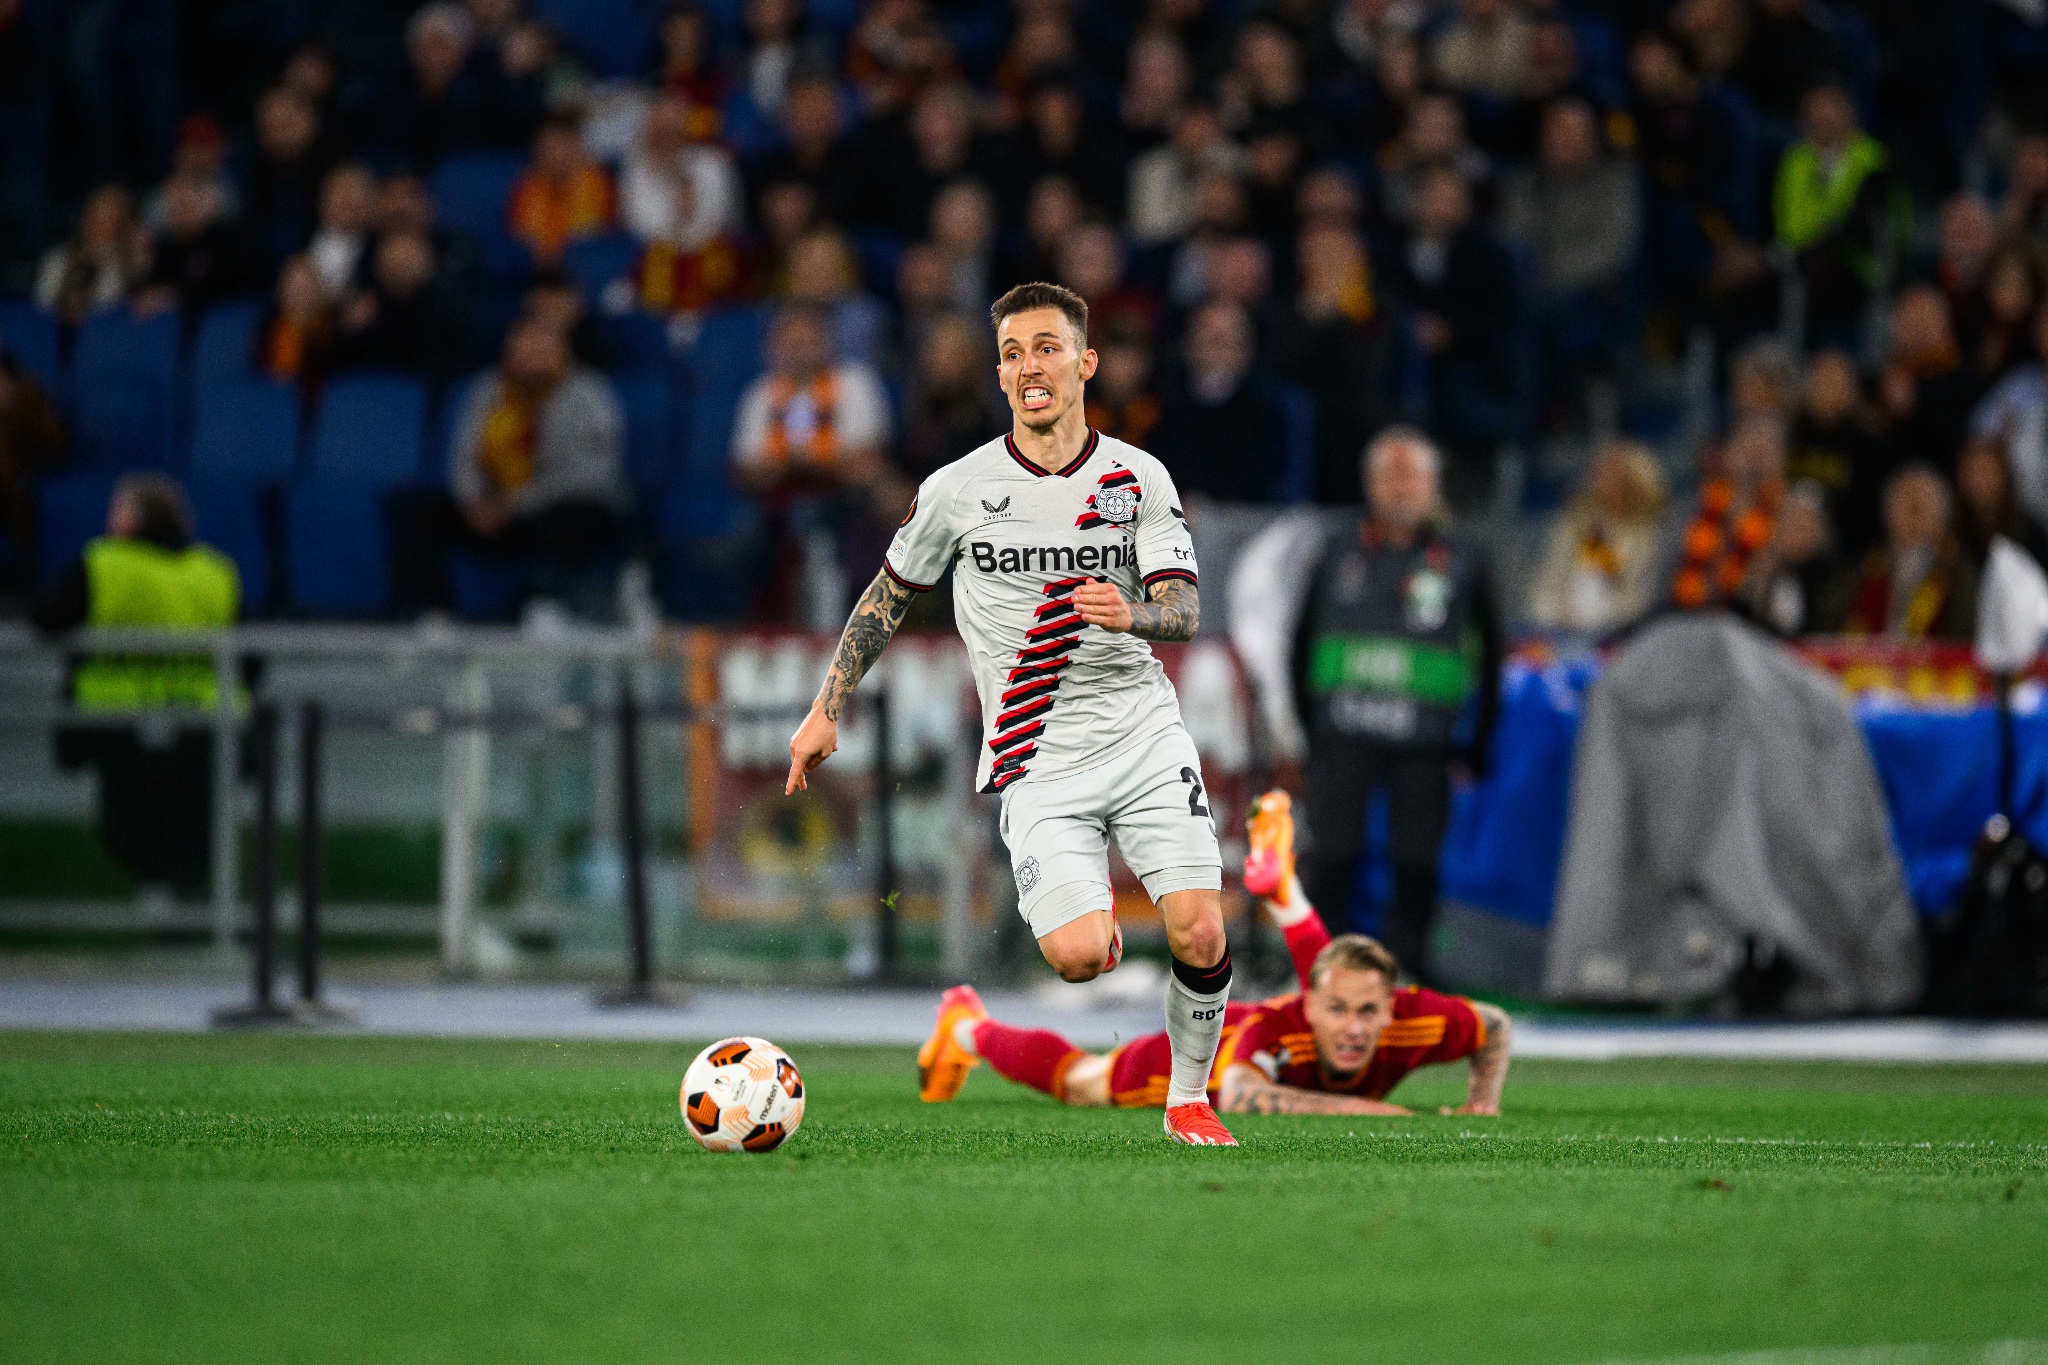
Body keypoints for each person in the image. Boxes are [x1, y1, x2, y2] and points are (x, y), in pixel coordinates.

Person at [784, 281, 1240, 1147]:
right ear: (1000, 374)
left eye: (1047, 347)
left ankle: (1187, 1097)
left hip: (1141, 729)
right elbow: (886, 597)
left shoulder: (1137, 476)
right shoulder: (958, 488)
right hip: (1035, 754)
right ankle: (1011, 993)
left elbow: (1182, 610)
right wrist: (824, 708)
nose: (1031, 366)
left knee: (1199, 924)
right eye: (1014, 353)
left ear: (1084, 362)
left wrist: (1129, 612)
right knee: (1077, 957)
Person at [920, 791, 1512, 1116]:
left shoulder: (1418, 1020)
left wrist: (1480, 1103)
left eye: (1368, 1013)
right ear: (1305, 1009)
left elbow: (1493, 1026)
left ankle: (1286, 896)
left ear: (1394, 1009)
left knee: (1342, 980)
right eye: (1337, 1013)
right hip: (1208, 1047)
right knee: (1083, 1080)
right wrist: (1365, 1113)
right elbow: (1241, 1094)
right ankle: (968, 1028)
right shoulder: (1280, 1031)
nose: (1355, 1029)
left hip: (1312, 1004)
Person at [1290, 428, 1502, 983]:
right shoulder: (1336, 550)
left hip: (1425, 743)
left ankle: (1410, 974)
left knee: (1417, 864)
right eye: (1389, 474)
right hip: (1342, 734)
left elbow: (1494, 655)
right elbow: (1301, 641)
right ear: (1369, 483)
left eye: (1412, 475)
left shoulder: (1463, 559)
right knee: (1332, 858)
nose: (1400, 487)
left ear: (1434, 485)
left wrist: (1477, 743)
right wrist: (1309, 730)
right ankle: (1321, 971)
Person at [30, 475, 240, 901]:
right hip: (201, 727)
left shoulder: (105, 562)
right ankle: (188, 916)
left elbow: (47, 618)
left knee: (128, 830)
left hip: (118, 725)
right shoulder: (214, 570)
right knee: (192, 834)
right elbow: (250, 654)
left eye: (117, 510)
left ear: (131, 519)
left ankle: (172, 912)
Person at [393, 319, 629, 618]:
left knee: (579, 516)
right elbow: (464, 456)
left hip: (552, 506)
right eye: (523, 345)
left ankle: (547, 607)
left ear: (561, 350)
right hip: (493, 506)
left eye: (541, 346)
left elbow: (591, 474)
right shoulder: (489, 389)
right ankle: (429, 613)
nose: (530, 354)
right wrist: (473, 502)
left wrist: (515, 503)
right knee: (416, 510)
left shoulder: (588, 393)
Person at [731, 305, 895, 625]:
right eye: (790, 341)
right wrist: (791, 463)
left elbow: (868, 460)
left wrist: (810, 461)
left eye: (807, 340)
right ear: (773, 347)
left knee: (815, 518)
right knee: (746, 529)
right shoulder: (761, 394)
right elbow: (745, 469)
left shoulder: (855, 384)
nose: (799, 349)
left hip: (845, 497)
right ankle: (765, 623)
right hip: (775, 499)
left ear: (826, 343)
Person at [1525, 440, 1669, 633]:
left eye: (1612, 475)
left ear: (1632, 482)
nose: (1600, 481)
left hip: (1616, 635)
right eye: (1599, 473)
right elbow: (1547, 584)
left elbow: (1639, 601)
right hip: (1559, 628)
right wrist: (1555, 617)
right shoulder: (1574, 525)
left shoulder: (1649, 538)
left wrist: (1596, 624)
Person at [1149, 299, 1284, 503]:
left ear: (1247, 350)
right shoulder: (1161, 410)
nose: (1219, 351)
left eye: (1229, 341)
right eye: (1211, 339)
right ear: (1189, 346)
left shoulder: (1269, 415)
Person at [1840, 464, 1978, 641]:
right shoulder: (1861, 568)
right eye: (1906, 503)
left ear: (1943, 517)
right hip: (1864, 665)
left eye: (1922, 506)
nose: (1914, 514)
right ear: (1887, 512)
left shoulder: (1959, 575)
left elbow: (1963, 639)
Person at [1670, 416, 1787, 612]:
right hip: (1689, 614)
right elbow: (1672, 567)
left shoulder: (1784, 508)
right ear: (1729, 453)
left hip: (1752, 618)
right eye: (1747, 446)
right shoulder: (1698, 502)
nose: (1753, 458)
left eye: (1763, 450)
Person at [1743, 481, 1851, 636]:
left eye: (1806, 525)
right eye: (1790, 520)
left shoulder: (1837, 583)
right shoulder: (1751, 570)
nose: (1796, 533)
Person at [508, 113, 616, 266]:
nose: (556, 154)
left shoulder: (598, 183)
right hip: (538, 272)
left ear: (576, 145)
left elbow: (605, 236)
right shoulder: (526, 185)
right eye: (549, 146)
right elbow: (519, 237)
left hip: (586, 267)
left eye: (563, 144)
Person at [35, 184, 145, 325]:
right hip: (54, 332)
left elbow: (113, 303)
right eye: (100, 212)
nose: (104, 221)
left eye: (112, 214)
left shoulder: (128, 263)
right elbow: (42, 301)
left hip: (105, 335)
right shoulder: (59, 258)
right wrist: (65, 307)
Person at [1953, 435, 2048, 574]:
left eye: (1986, 471)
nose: (1979, 481)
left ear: (2003, 475)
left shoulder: (2029, 532)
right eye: (1973, 472)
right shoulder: (1956, 536)